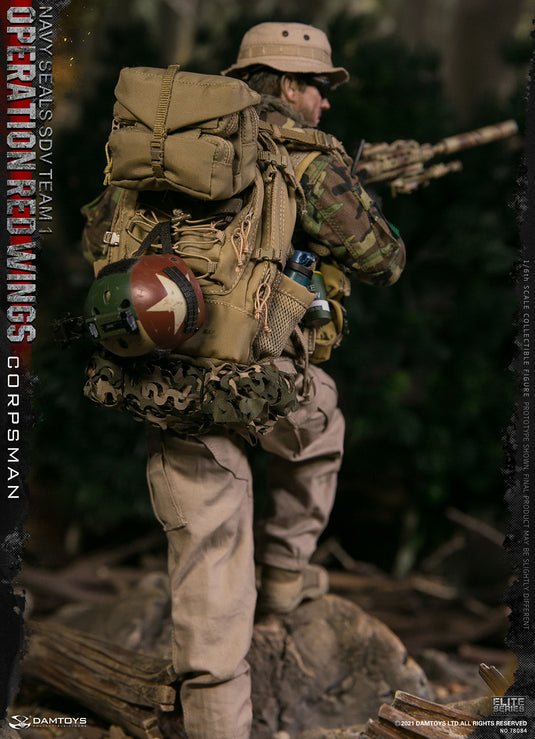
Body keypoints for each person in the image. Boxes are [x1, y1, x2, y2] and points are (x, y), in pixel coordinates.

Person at [144, 22, 406, 739]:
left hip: (168, 380)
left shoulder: (170, 147)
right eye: (317, 86)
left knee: (210, 576)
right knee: (322, 421)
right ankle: (287, 575)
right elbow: (383, 261)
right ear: (288, 85)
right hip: (259, 383)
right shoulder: (306, 157)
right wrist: (355, 193)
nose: (325, 101)